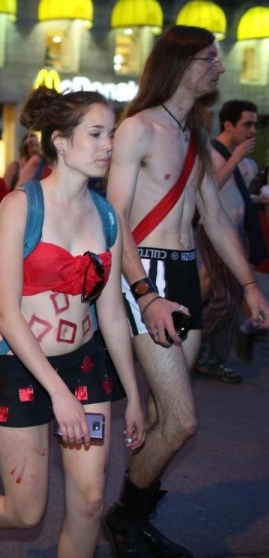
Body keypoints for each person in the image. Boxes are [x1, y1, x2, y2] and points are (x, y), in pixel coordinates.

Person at [0, 87, 145, 558]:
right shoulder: (20, 206)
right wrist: (59, 394)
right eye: (96, 134)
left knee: (90, 501)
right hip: (21, 369)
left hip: (85, 365)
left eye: (111, 134)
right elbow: (7, 314)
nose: (109, 145)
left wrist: (133, 395)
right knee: (25, 511)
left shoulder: (108, 216)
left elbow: (111, 312)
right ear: (61, 141)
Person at [104, 25, 269, 557]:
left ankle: (134, 521)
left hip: (183, 274)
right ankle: (124, 518)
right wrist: (144, 292)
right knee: (182, 420)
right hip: (146, 277)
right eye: (209, 59)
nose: (219, 67)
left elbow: (214, 218)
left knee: (161, 419)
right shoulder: (138, 129)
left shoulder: (193, 134)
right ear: (180, 64)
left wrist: (249, 285)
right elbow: (116, 219)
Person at [196, 99, 266, 382]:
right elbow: (209, 190)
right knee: (226, 297)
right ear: (228, 125)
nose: (252, 131)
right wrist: (235, 158)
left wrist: (258, 199)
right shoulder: (212, 153)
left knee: (232, 297)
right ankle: (192, 345)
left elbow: (238, 197)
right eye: (247, 124)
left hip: (236, 232)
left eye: (254, 124)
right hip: (214, 232)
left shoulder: (246, 161)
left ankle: (213, 358)